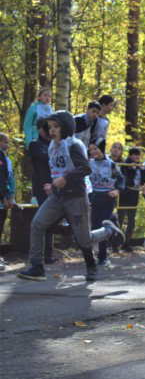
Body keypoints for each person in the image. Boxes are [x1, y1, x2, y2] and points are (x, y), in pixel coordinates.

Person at [18, 111, 124, 281]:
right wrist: (52, 185)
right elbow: (57, 170)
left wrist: (65, 179)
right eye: (49, 127)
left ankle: (109, 231)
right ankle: (37, 267)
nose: (52, 130)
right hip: (57, 197)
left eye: (56, 126)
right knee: (37, 223)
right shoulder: (53, 145)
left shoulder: (73, 145)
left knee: (84, 240)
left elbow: (86, 168)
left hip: (76, 197)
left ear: (66, 126)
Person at [28, 118, 70, 265]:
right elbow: (46, 159)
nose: (50, 131)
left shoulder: (54, 144)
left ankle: (49, 252)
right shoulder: (35, 144)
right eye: (46, 128)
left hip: (55, 185)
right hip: (42, 186)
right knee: (44, 219)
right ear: (40, 129)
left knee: (52, 218)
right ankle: (44, 255)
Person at [88, 142, 125, 266]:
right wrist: (89, 194)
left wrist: (117, 190)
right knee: (94, 227)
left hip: (108, 198)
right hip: (95, 198)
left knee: (101, 226)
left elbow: (121, 179)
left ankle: (103, 257)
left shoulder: (111, 164)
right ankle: (113, 230)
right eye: (91, 149)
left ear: (102, 149)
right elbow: (85, 180)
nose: (93, 151)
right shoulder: (90, 164)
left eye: (95, 149)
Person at [119, 147, 145, 252]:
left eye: (138, 155)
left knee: (131, 219)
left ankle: (127, 242)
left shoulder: (140, 166)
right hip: (125, 193)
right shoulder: (125, 165)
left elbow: (143, 181)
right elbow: (127, 181)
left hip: (134, 193)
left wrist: (142, 171)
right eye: (134, 154)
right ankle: (116, 242)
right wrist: (133, 170)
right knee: (120, 219)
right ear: (130, 155)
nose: (136, 156)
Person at [0, 133, 15, 269]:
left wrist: (10, 196)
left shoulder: (6, 159)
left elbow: (9, 178)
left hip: (4, 198)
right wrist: (4, 196)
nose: (7, 145)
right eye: (5, 142)